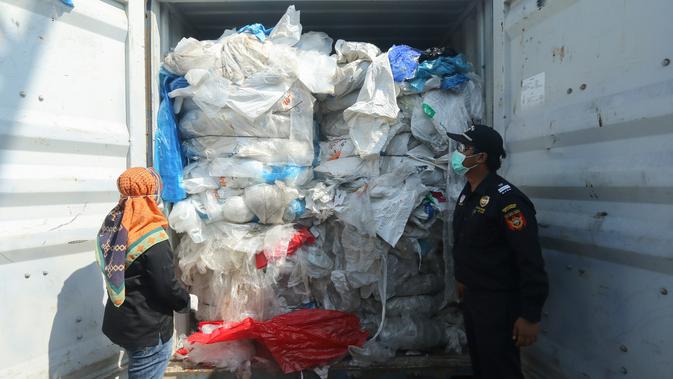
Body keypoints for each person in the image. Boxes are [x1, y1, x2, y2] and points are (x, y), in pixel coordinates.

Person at [447, 125, 549, 379]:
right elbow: (466, 241)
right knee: (482, 366)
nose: (458, 154)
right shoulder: (469, 193)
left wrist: (530, 315)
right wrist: (462, 277)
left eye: (464, 148)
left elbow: (530, 259)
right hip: (474, 299)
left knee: (501, 369)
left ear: (480, 157)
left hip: (499, 304)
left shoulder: (508, 201)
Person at [95, 167, 190, 379]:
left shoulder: (114, 225)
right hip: (147, 327)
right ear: (150, 195)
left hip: (122, 320)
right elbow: (166, 286)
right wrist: (185, 302)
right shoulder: (152, 237)